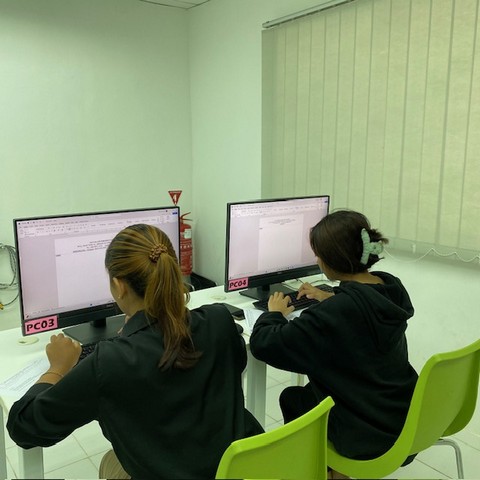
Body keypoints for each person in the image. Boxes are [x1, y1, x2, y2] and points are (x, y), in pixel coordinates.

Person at [7, 224, 263, 479]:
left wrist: (57, 368)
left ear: (119, 286)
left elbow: (23, 427)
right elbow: (233, 364)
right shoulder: (219, 320)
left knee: (110, 463)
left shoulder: (109, 363)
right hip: (234, 470)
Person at [249, 210, 418, 476]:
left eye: (318, 255)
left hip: (367, 433)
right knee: (308, 394)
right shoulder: (389, 287)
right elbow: (360, 309)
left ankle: (327, 471)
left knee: (294, 399)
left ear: (332, 260)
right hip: (402, 415)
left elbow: (265, 344)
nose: (317, 260)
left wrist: (273, 314)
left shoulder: (336, 313)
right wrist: (331, 297)